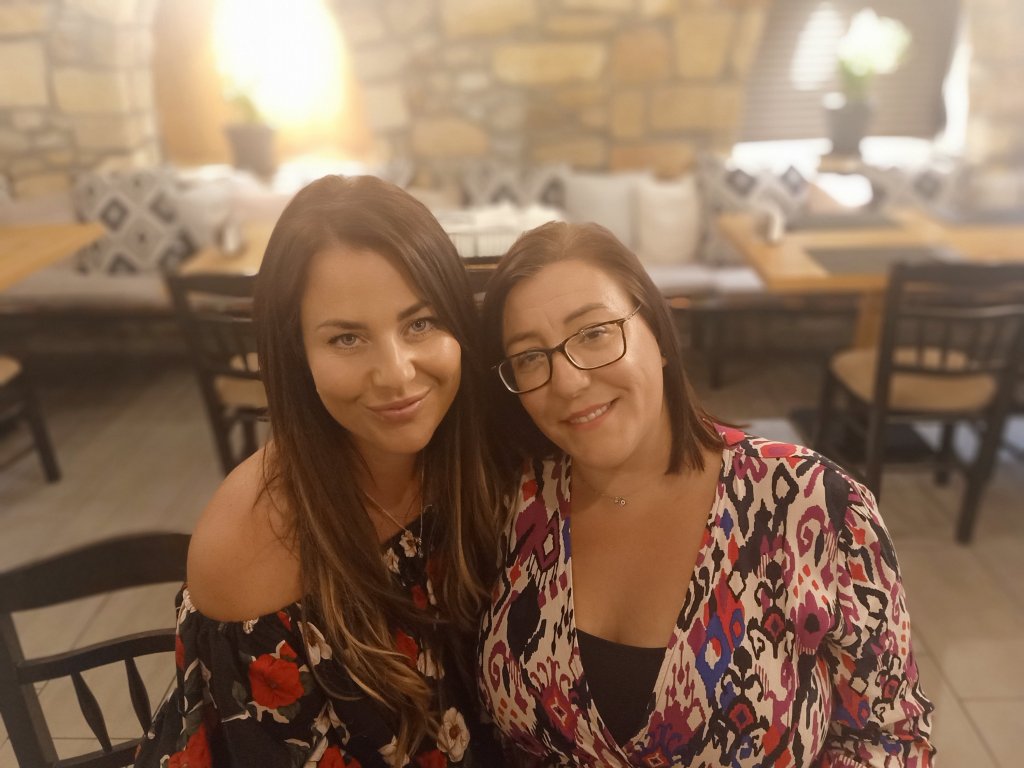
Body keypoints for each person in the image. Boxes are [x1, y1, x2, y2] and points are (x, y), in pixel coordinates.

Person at [477, 221, 934, 767]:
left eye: (594, 333)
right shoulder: (516, 503)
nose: (568, 381)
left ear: (659, 335)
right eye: (531, 356)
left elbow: (889, 736)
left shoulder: (810, 502)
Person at [136, 175, 502, 767]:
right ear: (296, 353)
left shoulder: (489, 458)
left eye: (420, 323)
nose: (397, 374)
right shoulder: (248, 548)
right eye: (347, 338)